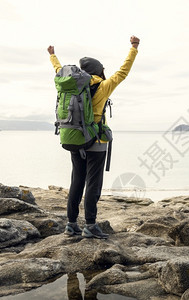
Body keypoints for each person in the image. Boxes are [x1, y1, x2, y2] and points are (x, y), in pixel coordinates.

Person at [47, 36, 140, 239]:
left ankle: (71, 224)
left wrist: (53, 56)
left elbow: (58, 70)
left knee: (77, 181)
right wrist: (134, 48)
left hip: (74, 138)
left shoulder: (72, 85)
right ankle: (90, 225)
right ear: (98, 71)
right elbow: (123, 72)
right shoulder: (103, 85)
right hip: (96, 141)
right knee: (93, 184)